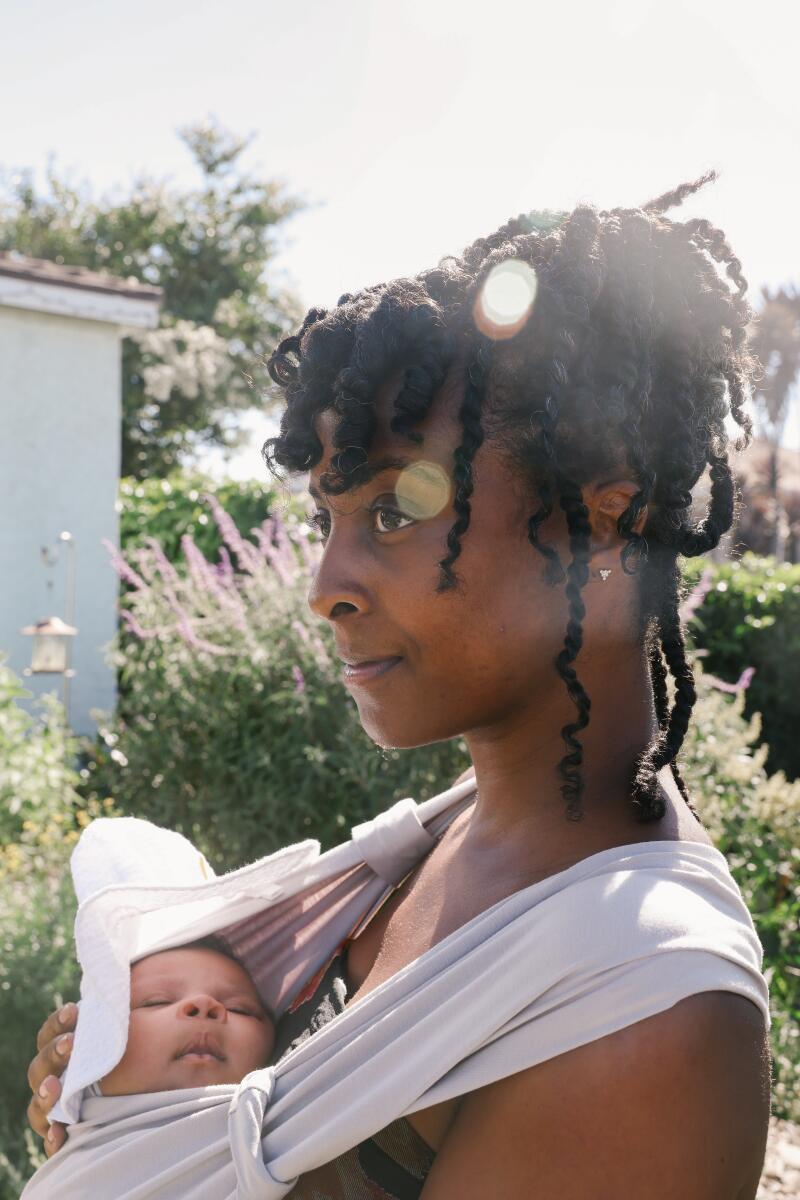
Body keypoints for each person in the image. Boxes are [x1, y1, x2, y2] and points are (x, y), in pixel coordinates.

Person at [27, 172, 772, 1198]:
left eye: (391, 511)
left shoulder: (642, 1017)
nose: (324, 589)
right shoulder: (440, 840)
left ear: (605, 514)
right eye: (322, 522)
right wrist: (129, 1123)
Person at [94, 938, 275, 1097]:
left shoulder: (286, 1116)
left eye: (237, 1009)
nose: (204, 1003)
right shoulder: (75, 1128)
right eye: (158, 1001)